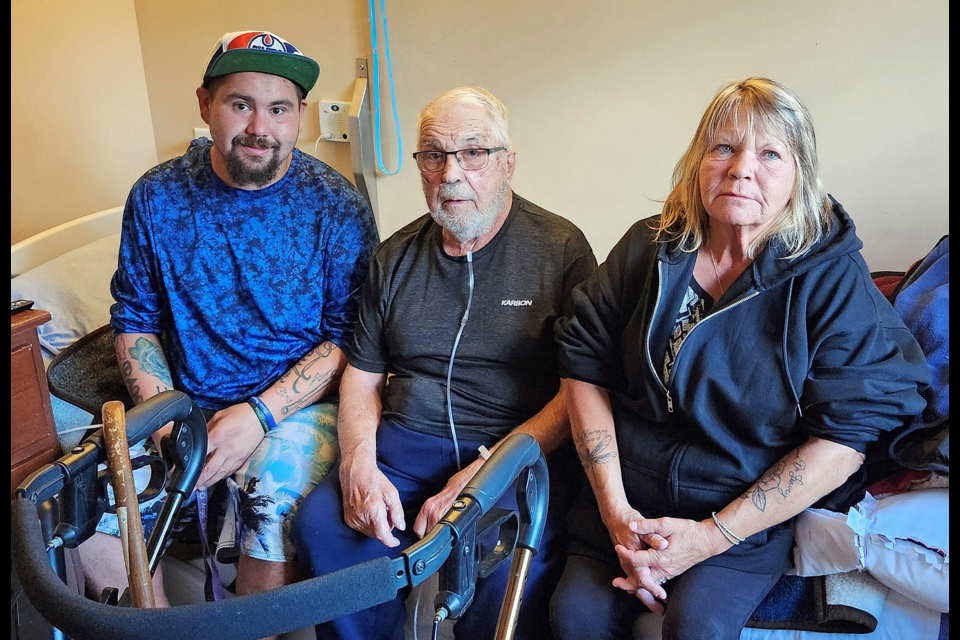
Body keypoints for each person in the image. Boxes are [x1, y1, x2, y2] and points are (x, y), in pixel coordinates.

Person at [548, 77, 930, 640]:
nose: (741, 168)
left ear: (799, 176)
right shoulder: (650, 246)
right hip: (624, 503)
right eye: (723, 147)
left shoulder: (827, 276)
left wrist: (707, 538)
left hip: (738, 513)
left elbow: (846, 441)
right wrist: (615, 511)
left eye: (770, 154)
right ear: (697, 162)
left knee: (697, 627)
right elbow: (582, 364)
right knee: (572, 620)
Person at [81, 30, 379, 616]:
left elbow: (349, 339)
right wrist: (167, 423)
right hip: (183, 403)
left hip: (292, 408)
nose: (258, 128)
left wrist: (257, 415)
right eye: (240, 104)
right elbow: (135, 320)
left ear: (299, 116)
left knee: (267, 490)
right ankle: (156, 629)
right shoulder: (156, 197)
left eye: (279, 109)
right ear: (204, 105)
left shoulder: (335, 206)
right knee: (86, 495)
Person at [291, 86, 597, 640]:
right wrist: (358, 465)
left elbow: (578, 391)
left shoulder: (561, 249)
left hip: (512, 453)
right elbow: (360, 379)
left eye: (473, 153)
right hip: (404, 447)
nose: (451, 172)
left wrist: (486, 472)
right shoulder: (394, 257)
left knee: (501, 563)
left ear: (507, 163)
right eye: (433, 154)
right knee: (324, 527)